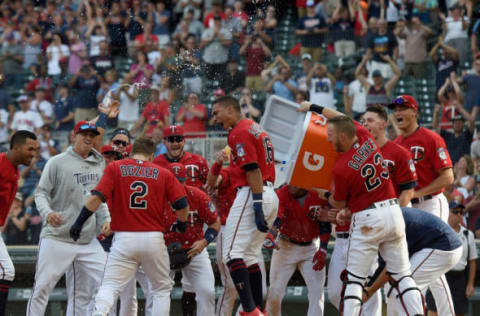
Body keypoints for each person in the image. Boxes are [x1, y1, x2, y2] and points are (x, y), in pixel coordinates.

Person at [298, 100, 424, 316]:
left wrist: (322, 193)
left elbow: (338, 204)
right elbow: (341, 117)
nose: (327, 139)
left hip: (368, 220)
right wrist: (314, 107)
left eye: (330, 135)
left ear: (343, 137)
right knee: (403, 275)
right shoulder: (366, 138)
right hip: (393, 212)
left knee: (355, 280)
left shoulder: (341, 168)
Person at [68, 138, 189, 316]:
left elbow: (96, 198)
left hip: (124, 238)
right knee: (161, 290)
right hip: (153, 238)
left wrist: (79, 222)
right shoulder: (163, 172)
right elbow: (182, 203)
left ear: (132, 152)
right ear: (152, 155)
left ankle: (98, 314)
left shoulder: (116, 168)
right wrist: (182, 224)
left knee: (110, 285)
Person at [28, 121, 110, 316]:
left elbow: (98, 198)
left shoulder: (98, 162)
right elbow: (40, 194)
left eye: (92, 134)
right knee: (41, 288)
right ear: (74, 136)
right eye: (84, 134)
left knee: (109, 283)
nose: (88, 138)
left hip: (87, 240)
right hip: (57, 237)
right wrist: (48, 213)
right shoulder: (56, 162)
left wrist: (106, 219)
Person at [212, 96, 279, 316]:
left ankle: (251, 312)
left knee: (231, 254)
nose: (214, 118)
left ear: (230, 109)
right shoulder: (255, 127)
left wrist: (257, 203)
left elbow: (252, 169)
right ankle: (259, 309)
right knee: (249, 256)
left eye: (216, 112)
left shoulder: (239, 131)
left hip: (253, 192)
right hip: (269, 192)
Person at [364, 207, 462, 316]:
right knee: (396, 287)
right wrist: (369, 288)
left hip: (444, 247)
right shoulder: (384, 219)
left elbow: (391, 267)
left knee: (401, 286)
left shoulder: (390, 225)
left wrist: (369, 291)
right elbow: (384, 265)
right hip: (439, 245)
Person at [206, 149, 268, 316]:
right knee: (231, 288)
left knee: (259, 291)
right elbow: (212, 182)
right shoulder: (229, 172)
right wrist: (218, 163)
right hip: (228, 229)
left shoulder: (256, 173)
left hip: (249, 230)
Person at [264, 185, 331, 316]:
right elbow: (278, 219)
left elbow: (325, 224)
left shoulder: (318, 193)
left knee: (317, 293)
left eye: (296, 180)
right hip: (285, 247)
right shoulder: (282, 193)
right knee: (274, 294)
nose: (292, 185)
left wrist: (323, 249)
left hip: (312, 247)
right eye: (290, 180)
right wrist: (271, 235)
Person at [165, 163, 220, 316]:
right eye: (173, 181)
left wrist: (204, 242)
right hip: (164, 250)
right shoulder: (157, 197)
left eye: (180, 181)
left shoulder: (197, 195)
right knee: (158, 293)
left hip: (194, 249)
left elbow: (215, 223)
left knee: (207, 291)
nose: (177, 185)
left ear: (186, 180)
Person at [389, 95, 454, 222]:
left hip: (431, 203)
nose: (397, 113)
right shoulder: (396, 144)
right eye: (395, 110)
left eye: (402, 108)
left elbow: (448, 177)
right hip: (408, 205)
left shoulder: (431, 138)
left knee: (431, 242)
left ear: (414, 112)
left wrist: (417, 194)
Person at [0, 130, 38, 314]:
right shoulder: (1, 164)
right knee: (5, 271)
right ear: (16, 147)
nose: (34, 153)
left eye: (36, 149)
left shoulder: (14, 169)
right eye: (30, 148)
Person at [426, 201, 478, 316]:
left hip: (459, 278)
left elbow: (472, 261)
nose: (459, 215)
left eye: (461, 212)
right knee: (434, 310)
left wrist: (470, 284)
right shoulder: (439, 231)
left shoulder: (467, 234)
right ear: (447, 213)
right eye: (455, 212)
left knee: (458, 311)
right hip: (440, 274)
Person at [362, 105, 417, 206]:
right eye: (363, 121)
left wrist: (394, 213)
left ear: (383, 125)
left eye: (370, 120)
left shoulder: (400, 152)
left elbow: (408, 191)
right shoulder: (359, 154)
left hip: (395, 208)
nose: (365, 124)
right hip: (369, 212)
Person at [153, 125, 209, 189]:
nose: (175, 143)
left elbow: (209, 186)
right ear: (164, 142)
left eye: (178, 139)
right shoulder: (156, 163)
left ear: (184, 141)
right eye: (171, 140)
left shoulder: (199, 161)